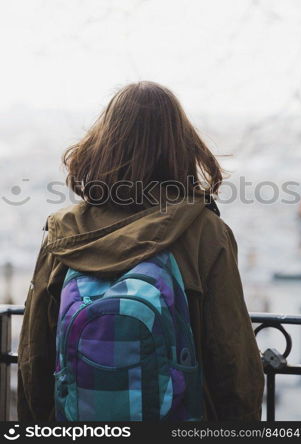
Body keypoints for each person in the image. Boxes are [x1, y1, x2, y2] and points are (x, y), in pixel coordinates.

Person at [18, 81, 264, 421]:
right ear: (180, 147)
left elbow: (34, 355)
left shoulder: (64, 231)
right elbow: (232, 358)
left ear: (103, 145)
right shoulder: (204, 232)